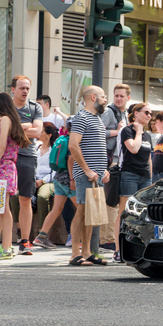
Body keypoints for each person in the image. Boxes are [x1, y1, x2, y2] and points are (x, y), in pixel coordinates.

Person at [68, 86, 110, 266]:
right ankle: (75, 254)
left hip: (97, 175)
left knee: (91, 213)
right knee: (82, 211)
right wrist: (87, 170)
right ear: (93, 97)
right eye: (103, 96)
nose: (106, 99)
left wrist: (104, 170)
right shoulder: (81, 117)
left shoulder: (97, 119)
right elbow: (73, 146)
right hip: (87, 174)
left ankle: (87, 251)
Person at [0, 93, 30, 260]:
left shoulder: (6, 119)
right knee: (4, 208)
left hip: (2, 166)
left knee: (3, 209)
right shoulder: (10, 120)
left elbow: (2, 145)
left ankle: (5, 248)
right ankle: (7, 246)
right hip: (8, 167)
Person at [113, 103, 153, 263]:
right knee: (124, 212)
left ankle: (141, 248)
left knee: (145, 213)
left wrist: (151, 178)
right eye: (146, 112)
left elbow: (149, 159)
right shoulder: (127, 131)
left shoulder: (148, 135)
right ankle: (118, 250)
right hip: (129, 175)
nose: (149, 116)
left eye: (151, 113)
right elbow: (134, 149)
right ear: (136, 113)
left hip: (145, 177)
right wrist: (138, 132)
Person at [11, 75, 44, 256]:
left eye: (27, 88)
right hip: (7, 157)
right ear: (13, 89)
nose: (25, 91)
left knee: (25, 199)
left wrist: (13, 127)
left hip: (27, 156)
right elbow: (0, 130)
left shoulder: (35, 107)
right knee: (1, 200)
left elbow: (37, 132)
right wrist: (25, 126)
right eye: (21, 88)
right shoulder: (5, 106)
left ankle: (25, 240)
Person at [33, 118, 76, 250]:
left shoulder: (62, 140)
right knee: (82, 210)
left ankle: (41, 237)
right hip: (68, 180)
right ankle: (77, 239)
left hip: (58, 178)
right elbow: (70, 160)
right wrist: (72, 180)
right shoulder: (73, 142)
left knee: (56, 208)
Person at [100, 84, 130, 253]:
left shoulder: (124, 114)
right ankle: (108, 240)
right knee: (111, 202)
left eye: (121, 96)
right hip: (109, 162)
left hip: (117, 162)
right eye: (116, 95)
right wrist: (117, 132)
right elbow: (98, 132)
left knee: (112, 202)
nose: (118, 98)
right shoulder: (109, 112)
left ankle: (107, 239)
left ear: (128, 98)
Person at [33, 123, 58, 230]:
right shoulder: (36, 147)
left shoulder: (54, 150)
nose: (39, 133)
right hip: (33, 179)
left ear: (48, 135)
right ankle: (20, 231)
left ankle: (42, 232)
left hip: (48, 182)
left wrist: (42, 181)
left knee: (42, 197)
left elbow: (55, 171)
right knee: (15, 196)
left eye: (42, 131)